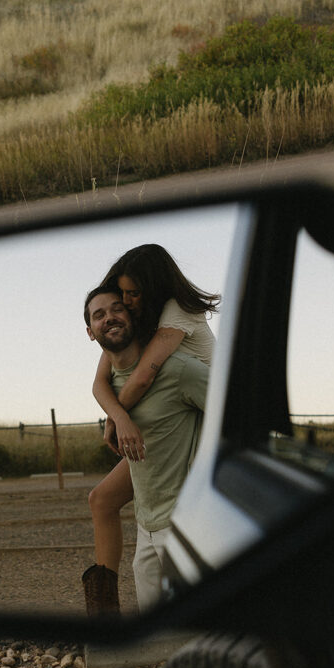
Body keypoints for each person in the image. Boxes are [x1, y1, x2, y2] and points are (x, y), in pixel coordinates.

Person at [87, 245, 219, 610]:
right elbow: (99, 383)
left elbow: (144, 376)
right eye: (122, 293)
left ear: (155, 285)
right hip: (174, 413)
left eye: (132, 293)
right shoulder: (137, 318)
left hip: (207, 417)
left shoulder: (178, 312)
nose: (126, 302)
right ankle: (102, 607)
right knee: (101, 499)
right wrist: (118, 416)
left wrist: (118, 419)